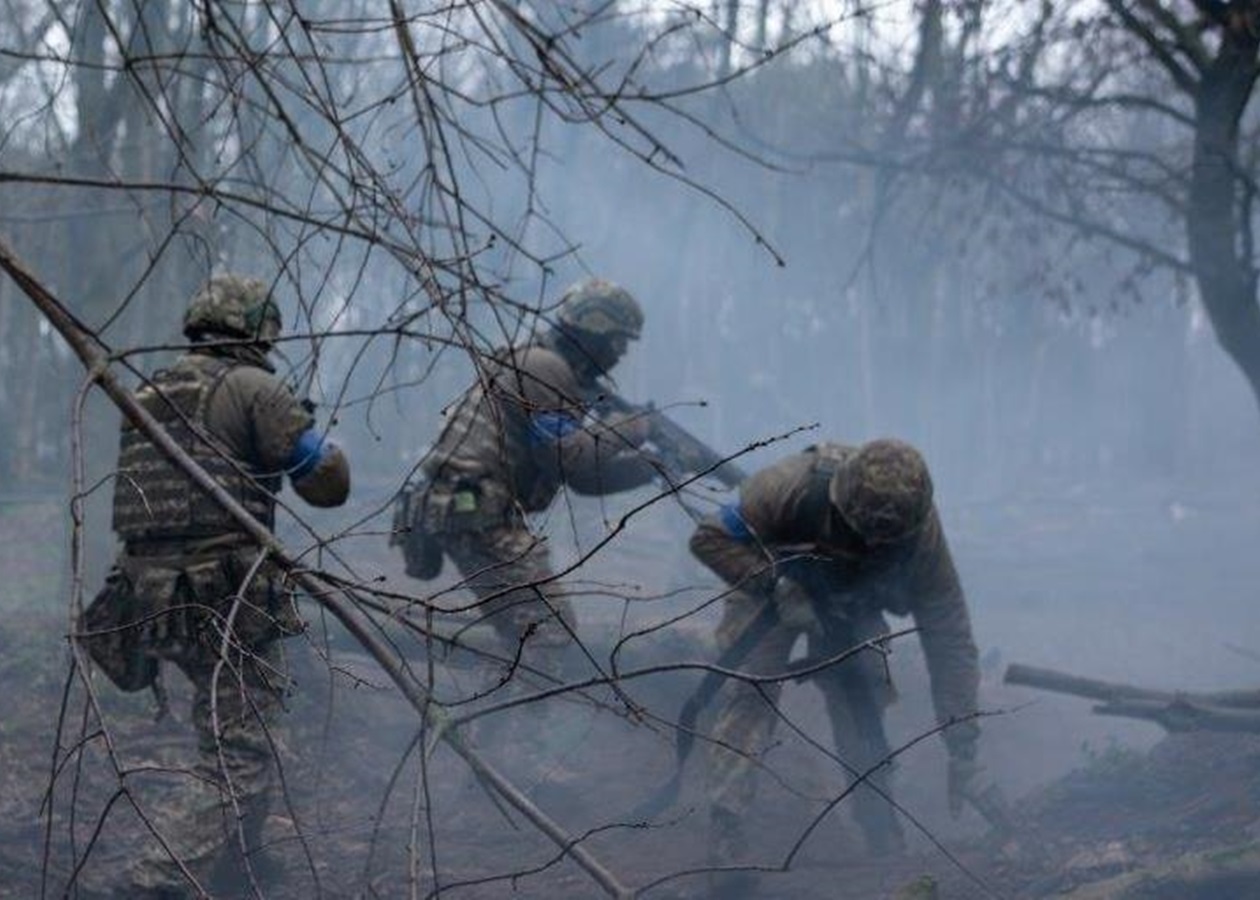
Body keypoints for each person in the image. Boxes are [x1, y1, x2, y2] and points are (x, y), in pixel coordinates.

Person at [89, 274, 350, 898]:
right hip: (222, 596)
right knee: (241, 752)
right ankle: (154, 880)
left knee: (237, 726)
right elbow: (327, 484)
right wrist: (321, 442)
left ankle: (242, 867)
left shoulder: (153, 390)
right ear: (259, 329)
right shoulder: (253, 386)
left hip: (148, 596)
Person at [689, 438, 981, 894]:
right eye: (863, 532)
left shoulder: (922, 537)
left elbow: (949, 636)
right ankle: (727, 835)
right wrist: (776, 585)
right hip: (773, 593)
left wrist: (963, 745)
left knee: (865, 699)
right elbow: (710, 537)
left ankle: (880, 829)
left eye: (888, 540)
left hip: (852, 605)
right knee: (751, 694)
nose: (874, 543)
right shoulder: (789, 486)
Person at [409, 277, 657, 661]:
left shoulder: (540, 362)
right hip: (478, 511)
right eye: (618, 340)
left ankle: (491, 718)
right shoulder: (544, 366)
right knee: (547, 632)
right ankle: (504, 721)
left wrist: (649, 468)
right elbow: (565, 457)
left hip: (468, 507)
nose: (621, 353)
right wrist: (634, 428)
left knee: (526, 632)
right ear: (595, 331)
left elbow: (580, 480)